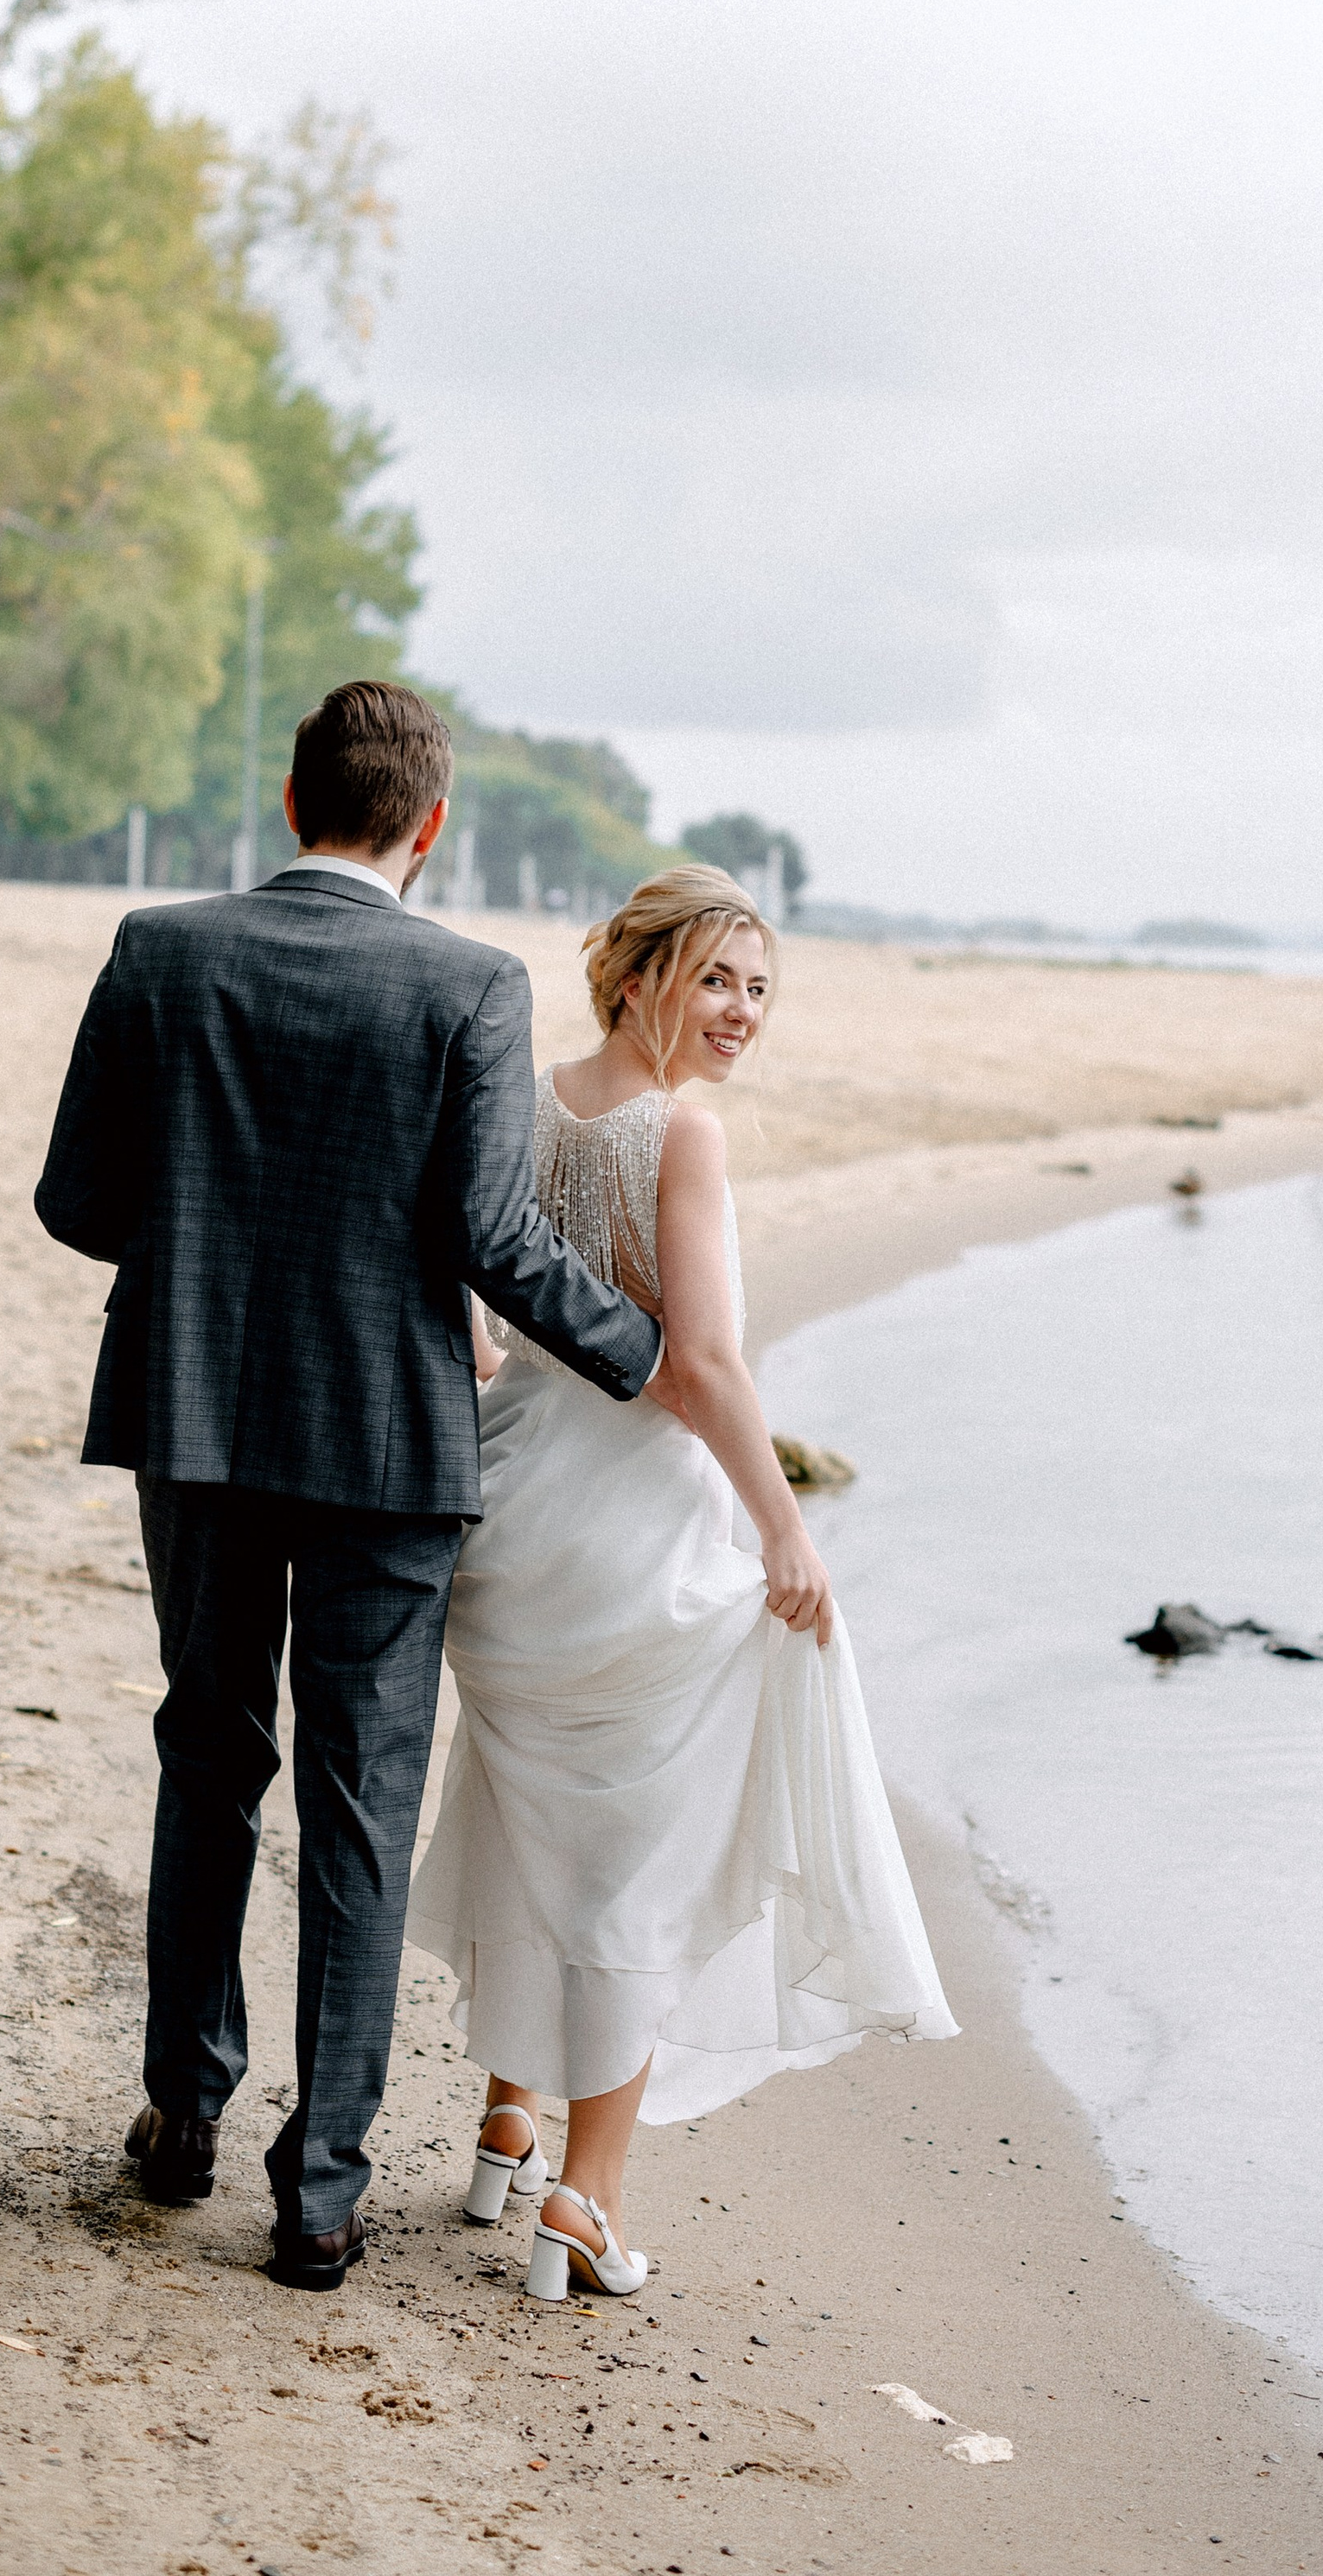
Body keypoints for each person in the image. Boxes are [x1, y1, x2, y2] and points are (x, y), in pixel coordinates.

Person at [33, 677, 676, 2289]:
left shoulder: (159, 948)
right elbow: (491, 1240)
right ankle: (321, 2192)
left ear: (291, 795)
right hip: (389, 1443)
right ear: (431, 825)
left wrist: (210, 1260)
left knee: (208, 1746)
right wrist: (647, 1357)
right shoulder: (467, 984)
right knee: (360, 1803)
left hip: (194, 1417)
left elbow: (75, 1197)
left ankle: (181, 2110)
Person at [407, 864, 957, 2300]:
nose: (741, 1012)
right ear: (638, 973)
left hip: (509, 1513)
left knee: (543, 1822)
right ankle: (584, 2202)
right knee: (640, 1862)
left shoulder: (516, 1098)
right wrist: (786, 1527)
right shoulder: (681, 1137)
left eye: (761, 988)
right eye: (717, 978)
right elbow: (702, 1366)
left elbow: (451, 1253)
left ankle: (507, 2117)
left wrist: (472, 1344)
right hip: (624, 1535)